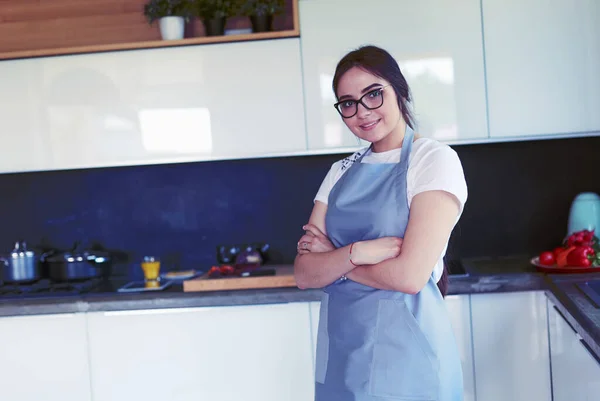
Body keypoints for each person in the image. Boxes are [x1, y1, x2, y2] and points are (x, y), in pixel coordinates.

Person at [293, 45, 468, 401]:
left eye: (373, 95)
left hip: (408, 356)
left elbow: (409, 277)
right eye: (348, 103)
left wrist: (338, 261)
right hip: (343, 350)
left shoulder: (433, 160)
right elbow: (304, 274)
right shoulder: (339, 172)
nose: (362, 112)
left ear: (399, 90)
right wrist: (361, 252)